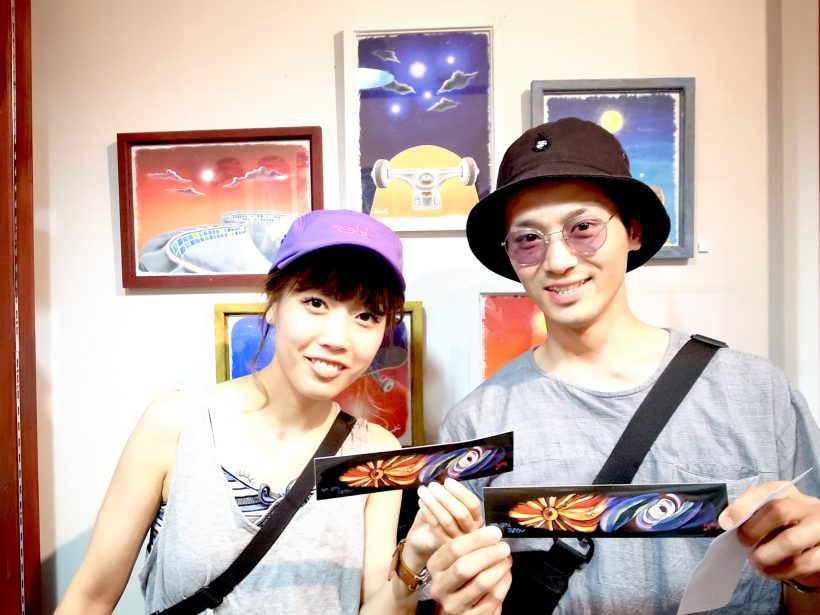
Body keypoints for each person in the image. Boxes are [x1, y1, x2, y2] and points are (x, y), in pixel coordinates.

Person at [424, 117, 820, 614]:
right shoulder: (477, 424)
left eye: (582, 228)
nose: (558, 261)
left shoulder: (758, 394)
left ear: (632, 232)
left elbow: (802, 585)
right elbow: (457, 587)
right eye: (528, 239)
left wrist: (810, 578)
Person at [55, 209, 482, 614]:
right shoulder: (178, 424)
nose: (337, 338)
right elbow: (90, 598)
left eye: (367, 315)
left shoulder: (374, 450)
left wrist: (415, 555)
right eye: (316, 302)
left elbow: (375, 607)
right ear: (274, 304)